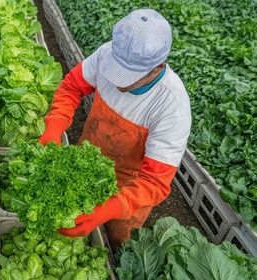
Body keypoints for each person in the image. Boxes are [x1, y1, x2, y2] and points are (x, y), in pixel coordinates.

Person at [39, 9, 191, 250]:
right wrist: (56, 123)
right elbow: (71, 88)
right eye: (117, 71)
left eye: (129, 76)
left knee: (113, 243)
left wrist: (107, 210)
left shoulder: (171, 108)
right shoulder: (108, 53)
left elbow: (154, 182)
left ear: (157, 67)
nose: (119, 81)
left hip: (128, 193)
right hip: (84, 165)